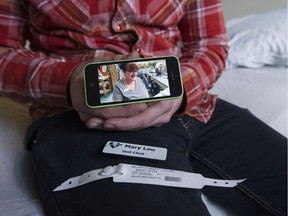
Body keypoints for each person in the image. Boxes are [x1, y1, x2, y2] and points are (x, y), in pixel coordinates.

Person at [0, 1, 286, 216]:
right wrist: (69, 83)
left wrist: (181, 90)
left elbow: (211, 45)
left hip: (197, 109)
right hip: (83, 120)